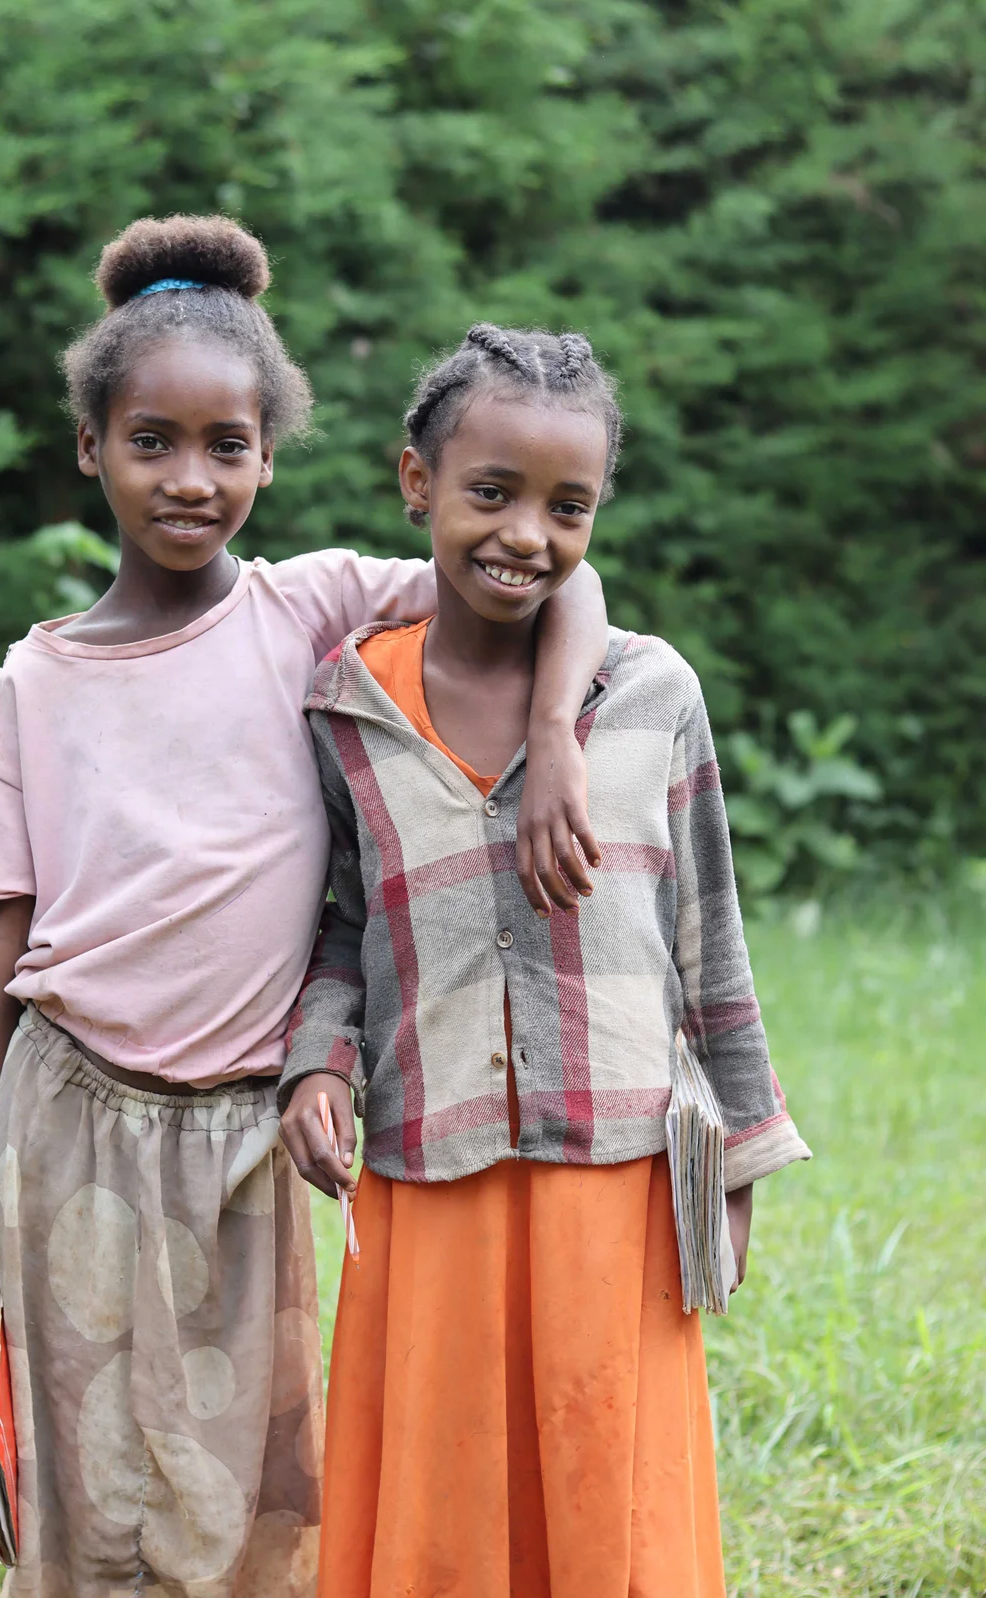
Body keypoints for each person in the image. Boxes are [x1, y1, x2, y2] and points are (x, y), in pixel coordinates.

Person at [0, 218, 612, 1598]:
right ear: (91, 446)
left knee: (248, 1460)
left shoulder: (308, 610)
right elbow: (2, 935)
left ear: (269, 454)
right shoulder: (38, 675)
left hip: (249, 1131)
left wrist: (558, 730)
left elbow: (555, 570)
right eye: (152, 441)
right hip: (69, 1115)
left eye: (226, 445)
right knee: (85, 1448)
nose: (192, 479)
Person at [280, 321, 812, 1598]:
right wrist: (317, 1063)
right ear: (417, 481)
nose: (527, 532)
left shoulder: (651, 695)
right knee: (445, 1497)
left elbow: (709, 937)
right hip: (432, 1161)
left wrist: (738, 1155)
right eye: (491, 492)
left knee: (606, 1489)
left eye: (567, 505)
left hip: (617, 1171)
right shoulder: (348, 703)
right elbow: (341, 921)